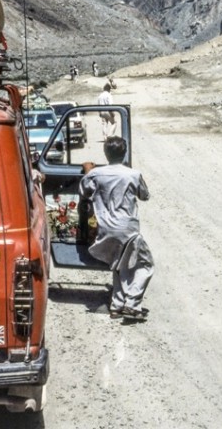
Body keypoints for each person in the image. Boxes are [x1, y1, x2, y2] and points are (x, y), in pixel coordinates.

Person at [79, 136, 152, 321]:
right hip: (127, 228)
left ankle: (117, 305)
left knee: (118, 264)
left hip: (106, 227)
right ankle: (133, 304)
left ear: (106, 153)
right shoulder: (133, 174)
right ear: (124, 153)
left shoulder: (96, 174)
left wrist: (88, 171)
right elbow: (145, 195)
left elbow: (84, 191)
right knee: (145, 265)